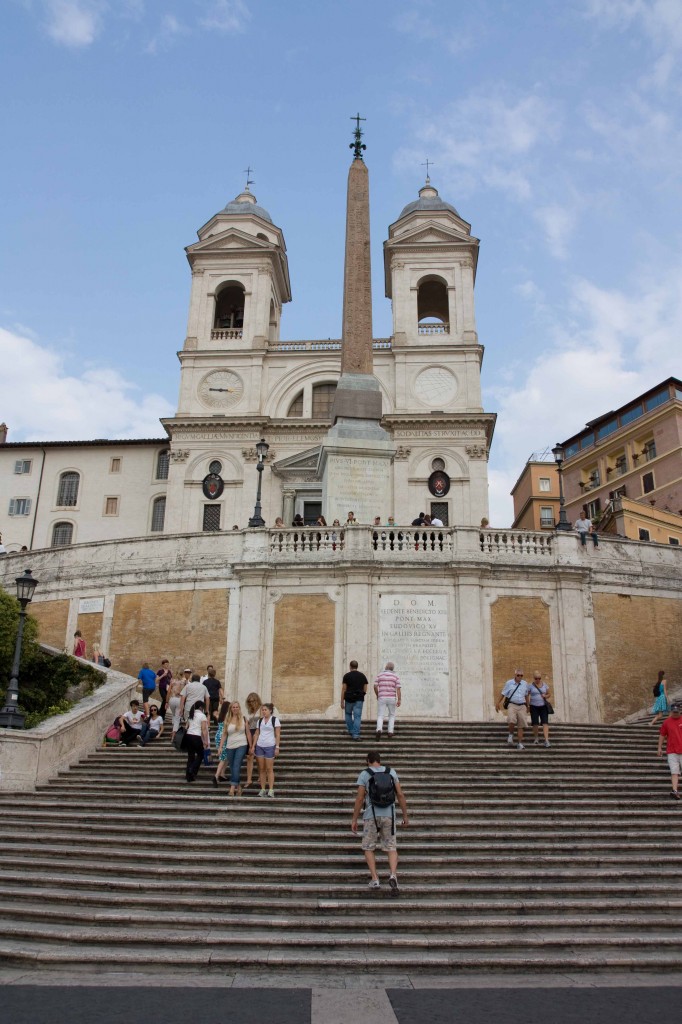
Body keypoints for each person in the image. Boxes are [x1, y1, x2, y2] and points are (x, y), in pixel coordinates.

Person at [351, 751, 409, 894]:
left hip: (371, 815)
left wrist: (354, 819)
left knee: (368, 847)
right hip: (390, 814)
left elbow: (359, 799)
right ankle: (393, 874)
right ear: (379, 760)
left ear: (368, 761)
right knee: (391, 847)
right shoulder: (391, 772)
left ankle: (375, 878)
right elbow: (400, 794)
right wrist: (405, 816)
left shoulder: (365, 774)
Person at [217, 700, 251, 796]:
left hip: (242, 744)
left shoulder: (244, 719)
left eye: (237, 707)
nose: (235, 709)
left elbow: (248, 733)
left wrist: (251, 746)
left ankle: (232, 789)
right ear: (231, 709)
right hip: (230, 746)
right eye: (233, 707)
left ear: (239, 708)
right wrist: (220, 747)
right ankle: (239, 787)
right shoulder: (227, 720)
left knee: (236, 765)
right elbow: (224, 734)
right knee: (232, 767)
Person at [495, 669, 531, 749]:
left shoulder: (525, 684)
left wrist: (528, 706)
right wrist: (497, 703)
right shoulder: (509, 683)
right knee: (511, 719)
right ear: (515, 675)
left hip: (522, 705)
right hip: (512, 704)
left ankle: (520, 743)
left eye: (521, 675)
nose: (520, 677)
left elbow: (526, 695)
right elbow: (503, 693)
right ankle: (511, 734)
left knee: (521, 725)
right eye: (518, 675)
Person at [252, 702, 281, 798]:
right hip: (260, 745)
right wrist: (253, 746)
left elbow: (277, 734)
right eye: (262, 710)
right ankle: (263, 789)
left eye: (265, 710)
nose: (264, 712)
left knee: (269, 768)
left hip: (270, 745)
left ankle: (271, 789)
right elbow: (256, 733)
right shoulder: (260, 721)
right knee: (262, 769)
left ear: (270, 711)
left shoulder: (274, 720)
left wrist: (277, 747)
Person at [657, 703, 682, 800]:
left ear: (679, 711)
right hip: (672, 751)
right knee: (674, 771)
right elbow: (662, 735)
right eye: (674, 712)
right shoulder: (666, 722)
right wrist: (659, 748)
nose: (675, 714)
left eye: (677, 712)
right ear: (671, 711)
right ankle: (674, 790)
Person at [341, 660, 369, 740]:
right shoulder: (362, 676)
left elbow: (344, 689)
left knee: (348, 714)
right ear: (357, 666)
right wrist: (362, 694)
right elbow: (365, 687)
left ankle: (351, 730)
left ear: (350, 666)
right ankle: (356, 734)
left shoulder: (346, 676)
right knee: (357, 717)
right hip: (359, 699)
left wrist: (342, 701)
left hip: (349, 698)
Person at [183, 700, 209, 782]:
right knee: (200, 755)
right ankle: (192, 769)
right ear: (201, 707)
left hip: (188, 736)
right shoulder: (202, 716)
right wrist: (205, 741)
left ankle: (188, 775)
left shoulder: (191, 714)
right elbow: (204, 729)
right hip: (196, 736)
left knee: (191, 756)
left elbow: (186, 726)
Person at [374, 662, 401, 740]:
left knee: (380, 715)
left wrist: (377, 695)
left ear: (386, 667)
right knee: (392, 715)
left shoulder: (380, 675)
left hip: (382, 697)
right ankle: (390, 732)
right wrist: (399, 699)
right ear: (392, 668)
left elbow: (375, 686)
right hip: (391, 698)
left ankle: (379, 729)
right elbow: (398, 689)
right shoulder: (395, 676)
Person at [243, 691, 262, 789]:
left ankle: (261, 776)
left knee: (258, 757)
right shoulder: (249, 712)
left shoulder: (261, 710)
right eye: (249, 701)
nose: (251, 703)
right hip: (250, 733)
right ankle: (249, 779)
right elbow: (248, 726)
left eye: (253, 701)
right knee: (249, 757)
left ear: (257, 700)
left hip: (259, 733)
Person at [529, 671, 552, 747]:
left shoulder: (545, 685)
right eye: (536, 678)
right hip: (534, 706)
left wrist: (545, 696)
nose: (538, 680)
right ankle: (536, 738)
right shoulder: (531, 686)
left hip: (543, 706)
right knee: (535, 723)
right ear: (534, 678)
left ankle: (546, 740)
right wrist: (527, 705)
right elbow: (526, 695)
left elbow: (549, 694)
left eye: (539, 678)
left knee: (545, 723)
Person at [168, 673, 185, 739]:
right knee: (177, 717)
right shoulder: (183, 681)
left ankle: (173, 729)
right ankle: (174, 733)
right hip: (179, 700)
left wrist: (166, 701)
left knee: (174, 715)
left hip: (172, 699)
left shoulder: (172, 681)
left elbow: (169, 691)